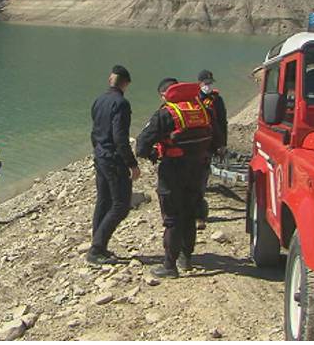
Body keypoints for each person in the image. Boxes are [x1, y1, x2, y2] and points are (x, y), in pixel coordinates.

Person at [136, 78, 221, 278]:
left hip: (173, 170)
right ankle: (186, 258)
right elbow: (216, 139)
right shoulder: (202, 109)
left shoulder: (166, 113)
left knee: (172, 217)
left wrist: (153, 154)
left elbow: (141, 146)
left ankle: (169, 265)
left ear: (166, 94)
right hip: (198, 169)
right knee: (190, 213)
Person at [88, 65, 140, 265]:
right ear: (125, 83)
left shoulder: (99, 100)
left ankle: (98, 244)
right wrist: (132, 163)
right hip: (112, 158)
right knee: (120, 205)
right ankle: (97, 248)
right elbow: (120, 137)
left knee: (104, 200)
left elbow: (94, 131)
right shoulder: (121, 103)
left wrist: (98, 151)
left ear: (110, 80)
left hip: (100, 155)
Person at [196, 70, 227, 230]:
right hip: (193, 145)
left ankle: (199, 216)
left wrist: (222, 145)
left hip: (208, 145)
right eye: (205, 83)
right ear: (199, 83)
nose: (208, 86)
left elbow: (222, 123)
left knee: (201, 181)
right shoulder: (193, 99)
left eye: (210, 83)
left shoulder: (216, 100)